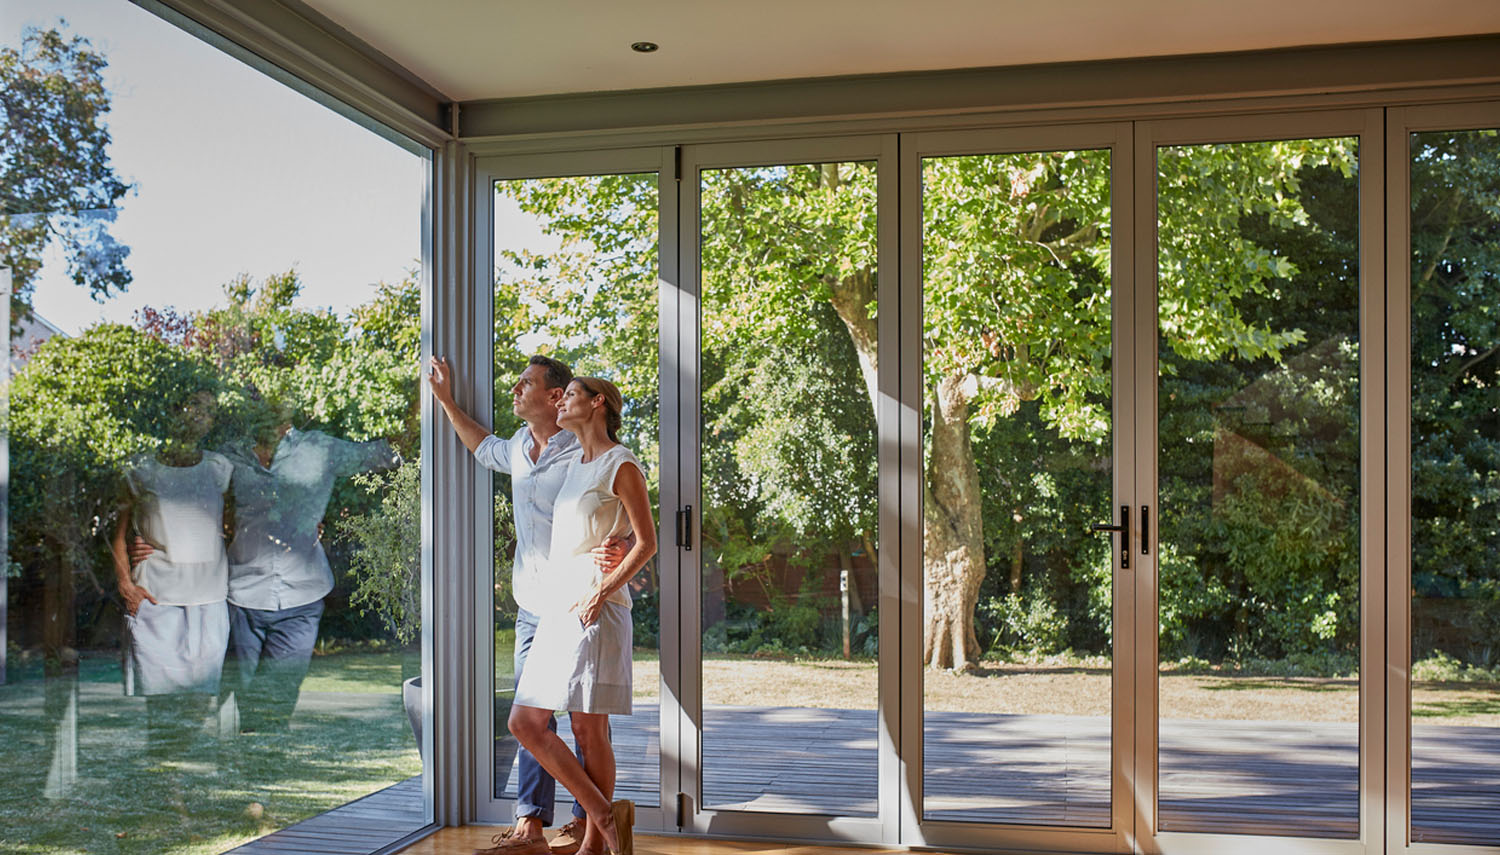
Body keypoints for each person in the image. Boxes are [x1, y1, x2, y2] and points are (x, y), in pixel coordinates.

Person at [426, 354, 628, 855]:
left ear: (557, 396)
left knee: (585, 720)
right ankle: (531, 825)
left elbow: (615, 503)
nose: (515, 390)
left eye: (526, 383)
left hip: (577, 600)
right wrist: (447, 401)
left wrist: (620, 543)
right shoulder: (517, 447)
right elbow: (481, 444)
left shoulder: (582, 449)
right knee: (533, 719)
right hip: (532, 606)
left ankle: (589, 825)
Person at [129, 402, 400, 733]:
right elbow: (186, 493)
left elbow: (384, 455)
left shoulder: (320, 448)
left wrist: (424, 411)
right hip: (242, 595)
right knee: (243, 700)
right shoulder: (228, 458)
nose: (270, 407)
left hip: (302, 594)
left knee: (277, 702)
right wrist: (146, 536)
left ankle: (265, 758)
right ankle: (248, 763)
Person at [508, 377, 656, 855]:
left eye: (569, 394)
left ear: (596, 404)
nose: (561, 401)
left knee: (588, 730)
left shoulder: (621, 462)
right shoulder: (574, 461)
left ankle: (594, 844)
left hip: (597, 612)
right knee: (525, 722)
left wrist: (605, 585)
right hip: (559, 608)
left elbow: (646, 542)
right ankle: (605, 814)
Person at [111, 389, 234, 759]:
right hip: (155, 597)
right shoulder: (141, 469)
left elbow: (235, 524)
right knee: (161, 709)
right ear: (173, 411)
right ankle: (166, 786)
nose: (200, 415)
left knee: (199, 705)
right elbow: (115, 533)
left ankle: (173, 778)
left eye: (209, 410)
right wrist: (125, 585)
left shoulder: (219, 469)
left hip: (209, 597)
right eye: (193, 405)